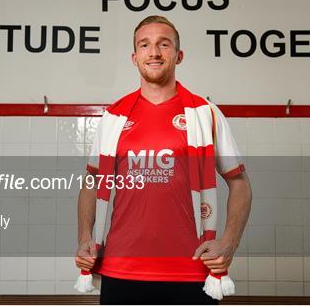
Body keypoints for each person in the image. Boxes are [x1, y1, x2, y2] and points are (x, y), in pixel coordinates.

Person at [75, 15, 252, 304]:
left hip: (193, 271)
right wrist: (85, 237)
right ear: (134, 58)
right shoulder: (114, 118)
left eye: (163, 44)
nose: (154, 52)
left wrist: (228, 244)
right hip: (122, 270)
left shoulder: (205, 114)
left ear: (179, 55)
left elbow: (240, 183)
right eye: (145, 45)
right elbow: (93, 181)